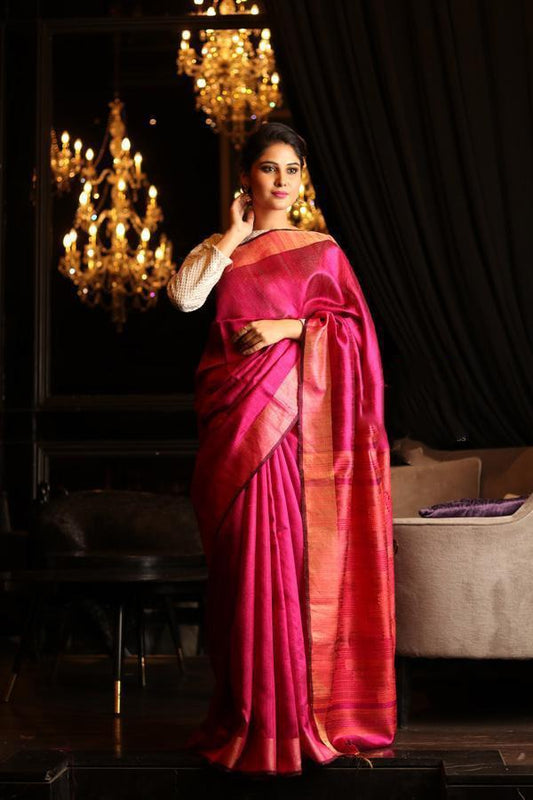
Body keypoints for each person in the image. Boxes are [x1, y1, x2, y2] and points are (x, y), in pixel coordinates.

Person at [166, 122, 397, 776]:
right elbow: (184, 298)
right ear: (246, 176)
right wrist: (231, 235)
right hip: (235, 430)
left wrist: (287, 326)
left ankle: (296, 718)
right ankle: (248, 714)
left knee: (292, 570)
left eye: (291, 170)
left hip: (296, 433)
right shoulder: (222, 249)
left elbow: (354, 336)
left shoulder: (322, 250)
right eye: (268, 168)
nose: (281, 181)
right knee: (242, 573)